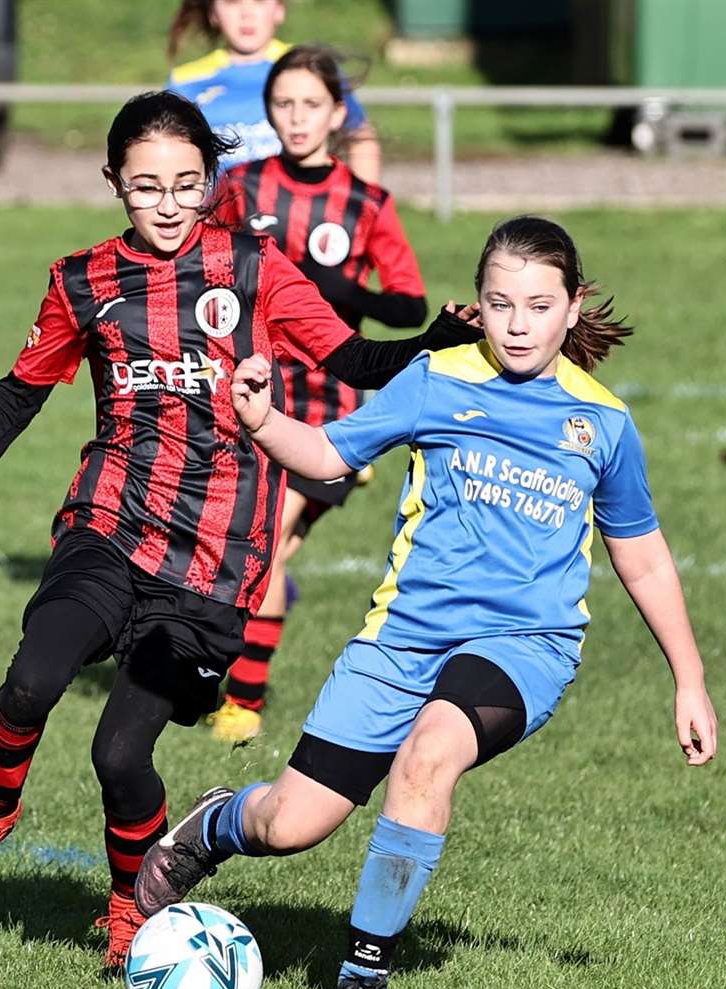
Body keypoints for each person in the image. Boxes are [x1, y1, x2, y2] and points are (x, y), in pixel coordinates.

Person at [0, 90, 479, 971]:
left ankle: (129, 906)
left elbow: (349, 358)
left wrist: (434, 336)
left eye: (186, 184)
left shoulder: (254, 266)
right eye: (146, 185)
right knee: (31, 678)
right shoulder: (82, 280)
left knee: (120, 752)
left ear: (210, 184)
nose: (166, 203)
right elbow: (21, 394)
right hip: (108, 525)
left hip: (216, 559)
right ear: (115, 183)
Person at [135, 215, 720, 989]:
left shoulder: (603, 424)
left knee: (430, 752)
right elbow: (331, 455)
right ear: (476, 304)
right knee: (291, 825)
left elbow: (642, 555)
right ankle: (214, 824)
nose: (520, 324)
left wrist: (688, 679)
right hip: (404, 639)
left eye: (541, 305)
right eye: (502, 303)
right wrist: (263, 421)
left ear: (575, 307)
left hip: (525, 646)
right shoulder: (435, 378)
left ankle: (362, 975)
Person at [203, 44, 427, 744]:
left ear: (338, 114)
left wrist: (341, 292)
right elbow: (201, 269)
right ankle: (216, 678)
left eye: (310, 106)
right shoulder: (240, 186)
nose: (296, 119)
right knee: (254, 556)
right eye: (283, 105)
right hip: (250, 392)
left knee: (258, 546)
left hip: (331, 410)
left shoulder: (365, 203)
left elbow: (407, 306)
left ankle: (241, 705)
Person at [166, 0, 382, 182]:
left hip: (297, 221)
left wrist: (363, 209)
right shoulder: (187, 82)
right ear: (213, 12)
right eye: (232, 1)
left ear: (279, 9)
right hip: (218, 224)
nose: (246, 14)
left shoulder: (309, 67)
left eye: (259, 1)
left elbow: (360, 136)